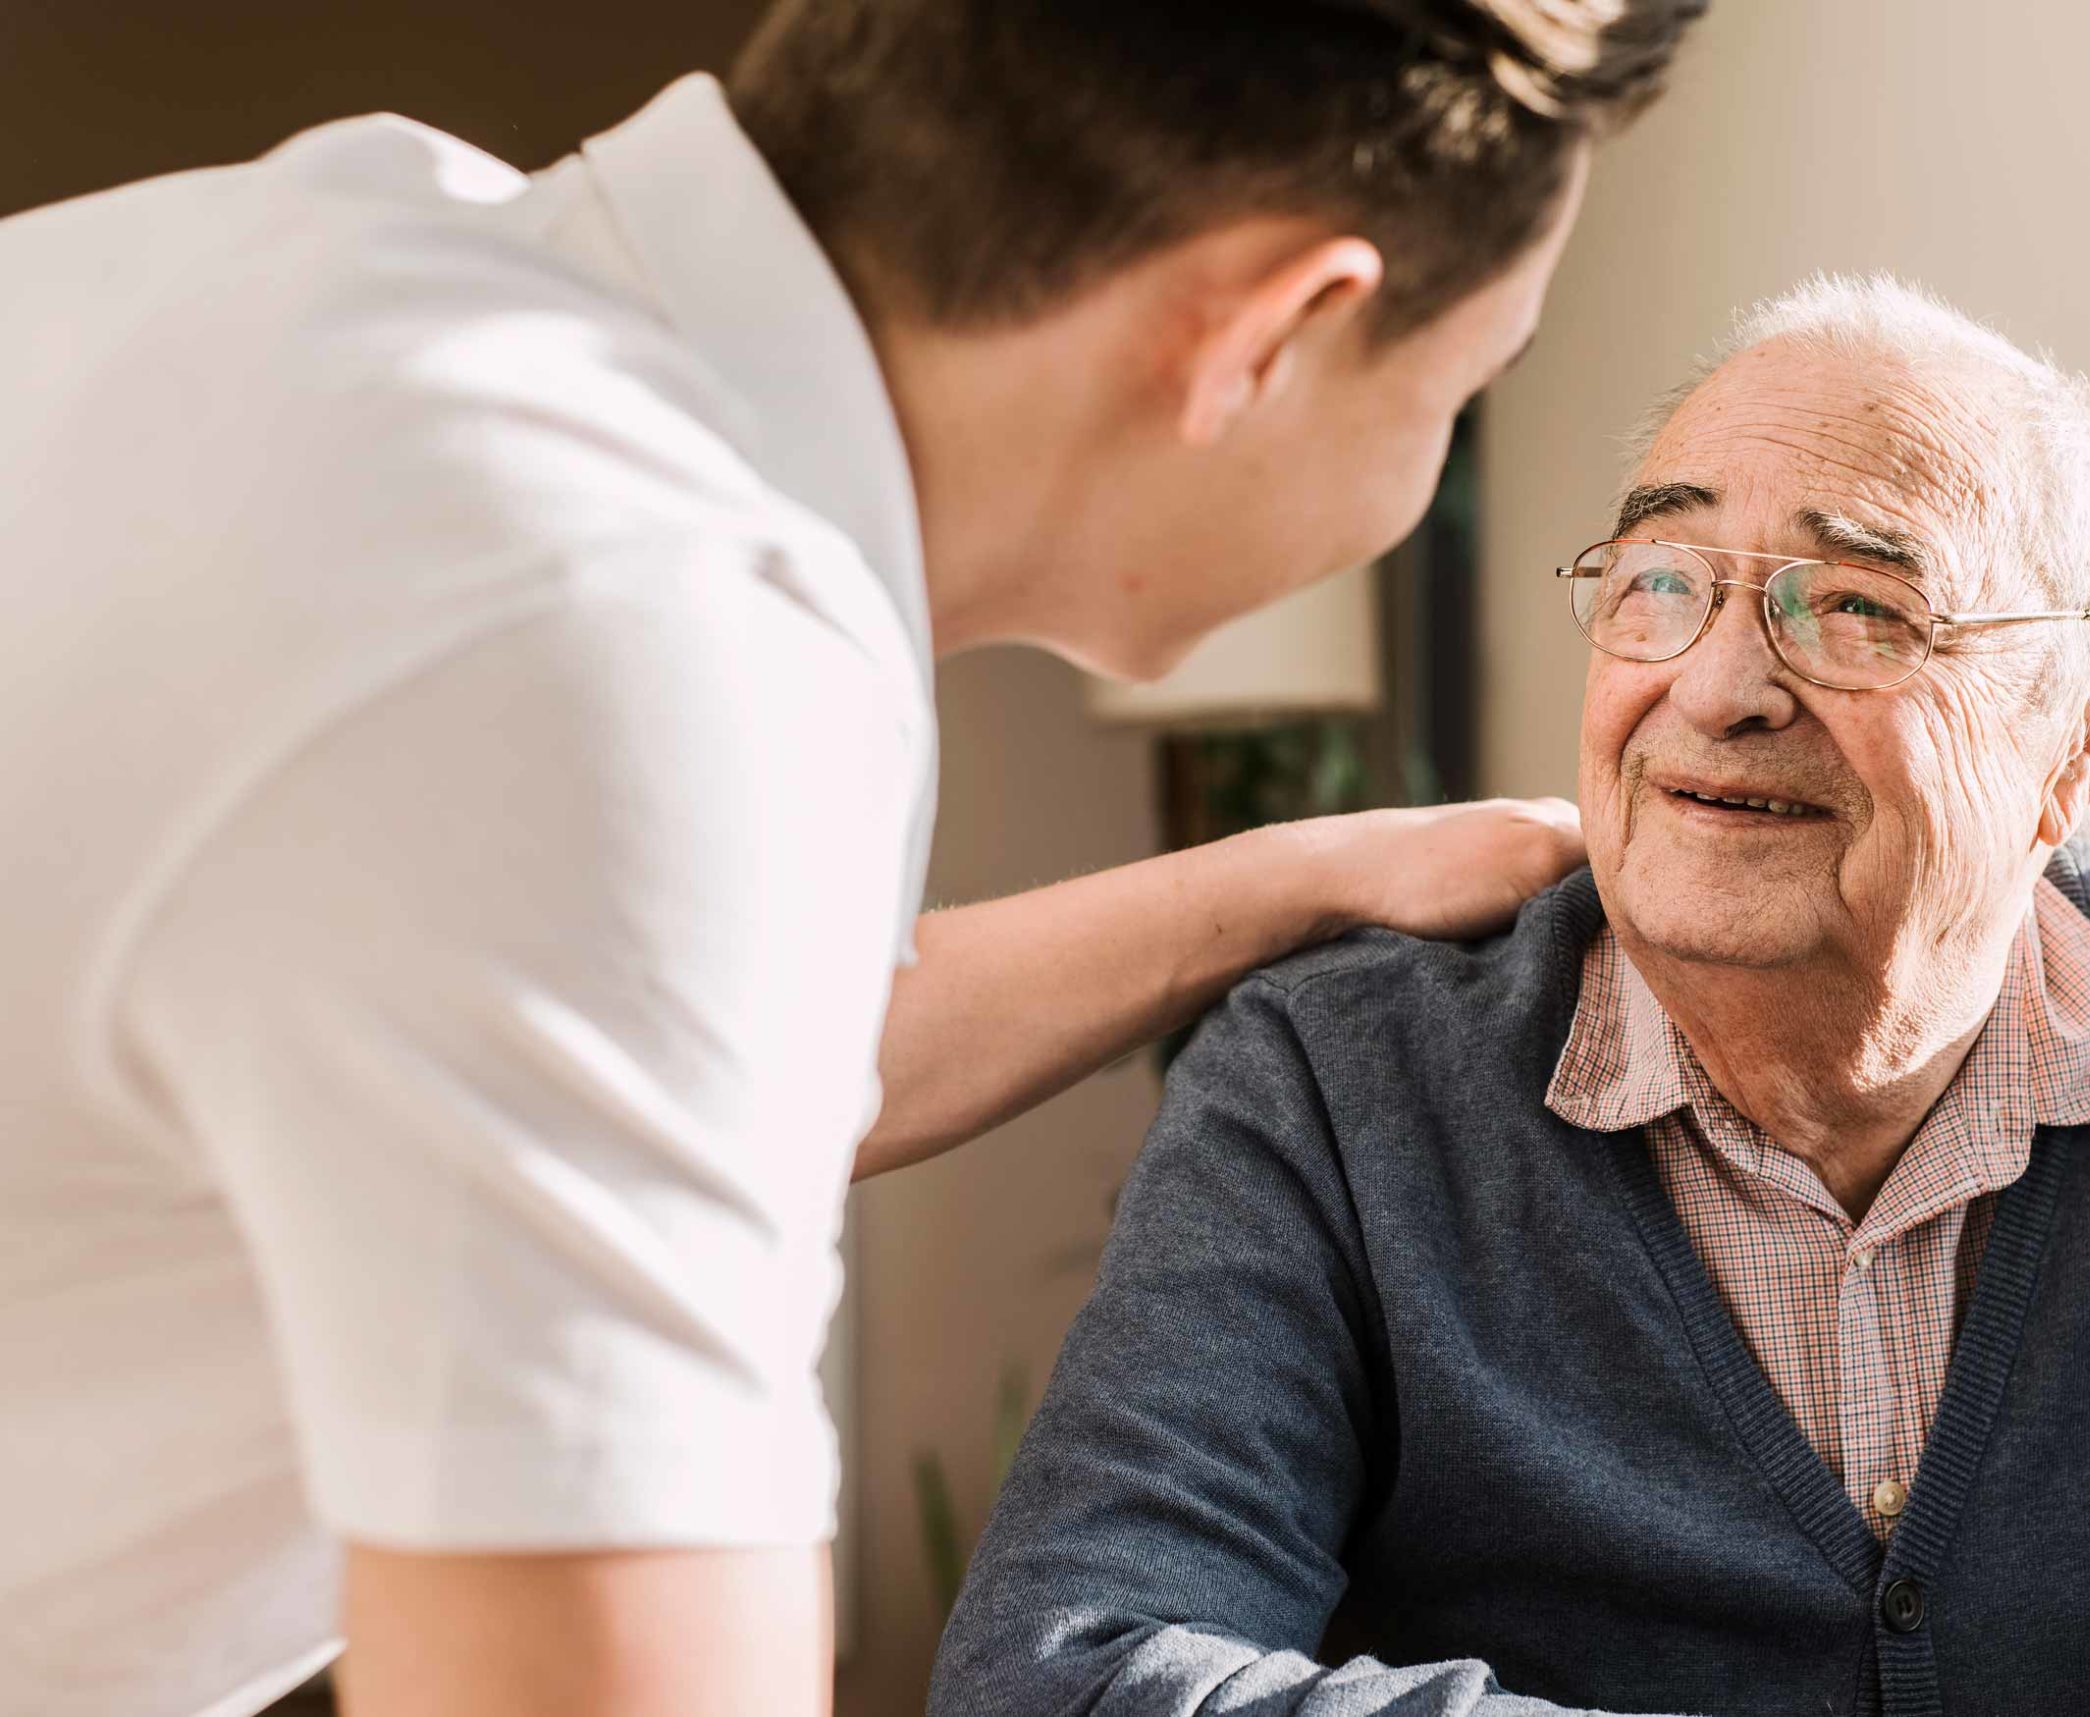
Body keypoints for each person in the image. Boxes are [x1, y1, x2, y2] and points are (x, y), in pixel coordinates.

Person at [0, 4, 1716, 1714]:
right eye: (1461, 388)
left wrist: (1300, 875)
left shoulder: (359, 257)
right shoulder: (627, 647)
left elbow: (631, 1051)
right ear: (1273, 334)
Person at [928, 276, 2090, 1716]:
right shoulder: (1340, 1088)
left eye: (1855, 605)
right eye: (1660, 580)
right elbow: (1068, 1669)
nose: (1714, 686)